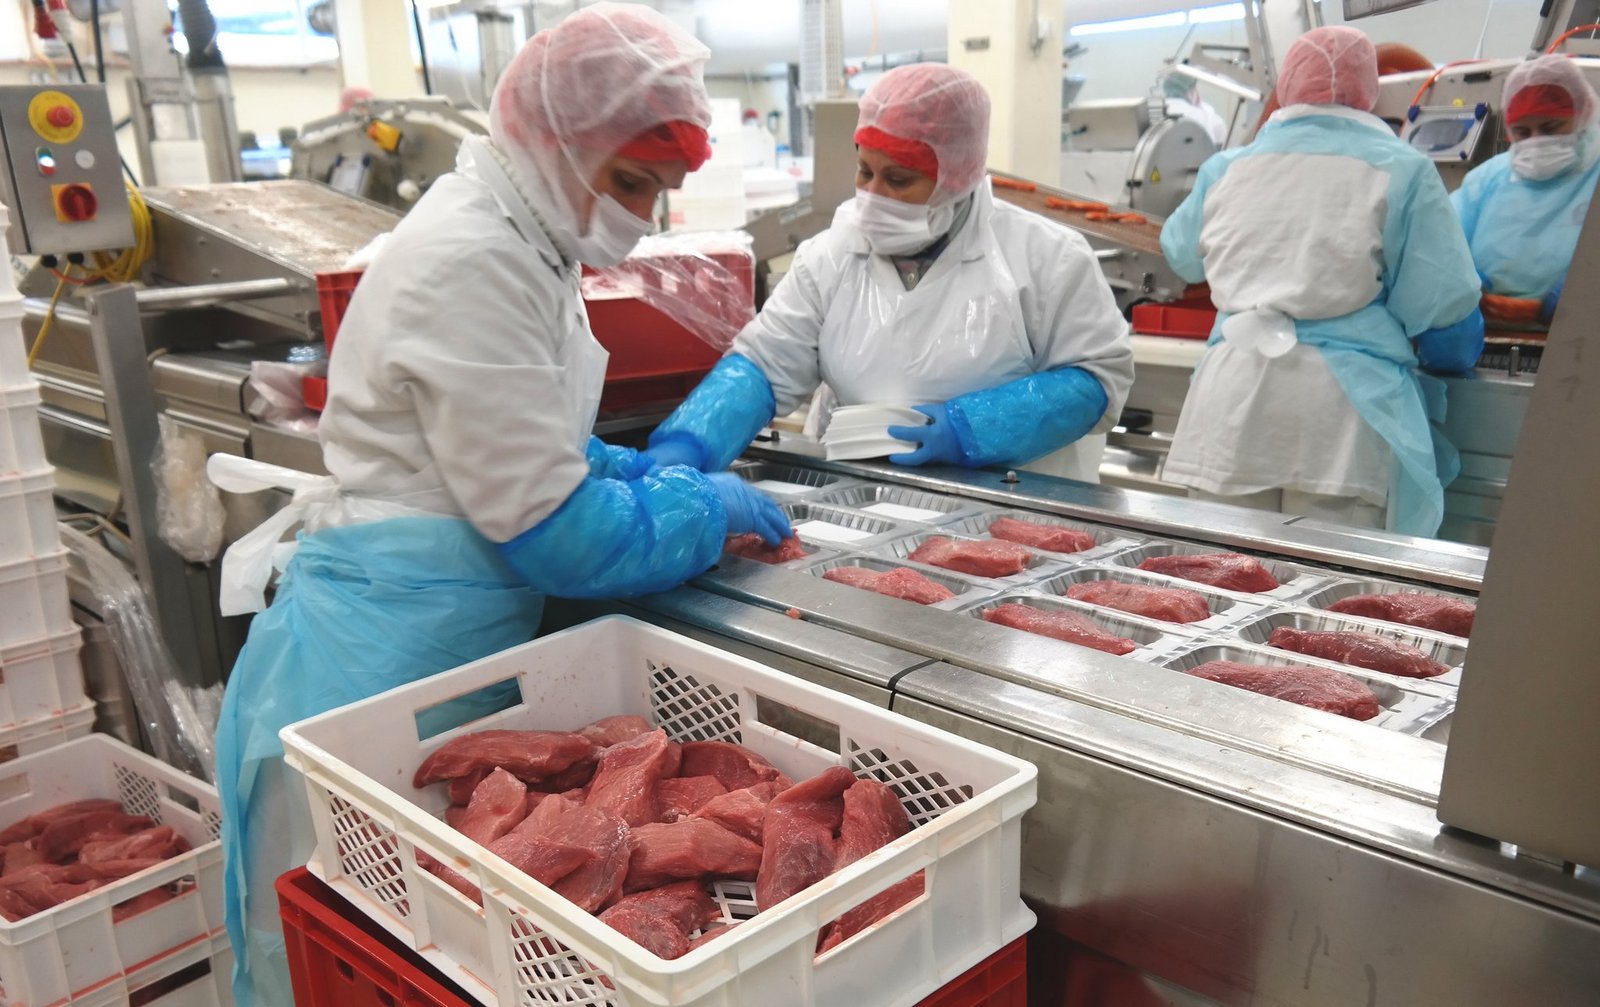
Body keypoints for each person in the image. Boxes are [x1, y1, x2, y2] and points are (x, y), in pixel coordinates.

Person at [211, 7, 788, 1005]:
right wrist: (696, 507)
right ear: (557, 141)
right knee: (375, 948)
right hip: (384, 650)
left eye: (656, 190)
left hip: (443, 628)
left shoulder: (523, 233)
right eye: (631, 182)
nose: (643, 215)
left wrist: (624, 467)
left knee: (453, 931)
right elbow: (563, 539)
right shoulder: (474, 257)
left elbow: (517, 433)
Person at [642, 63, 1133, 483]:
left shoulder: (1046, 257)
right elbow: (765, 365)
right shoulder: (832, 255)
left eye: (899, 179)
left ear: (958, 175)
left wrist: (969, 428)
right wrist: (690, 442)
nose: (874, 195)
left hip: (1020, 510)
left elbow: (1097, 379)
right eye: (865, 171)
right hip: (870, 495)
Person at [1158, 26, 1484, 537]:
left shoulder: (1226, 168)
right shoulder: (1402, 169)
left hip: (1232, 402)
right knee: (1331, 576)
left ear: (1286, 87)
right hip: (1341, 413)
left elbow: (1181, 256)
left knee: (1219, 571)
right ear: (1369, 90)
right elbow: (1445, 309)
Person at [1452, 53, 1600, 324]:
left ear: (1584, 114)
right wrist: (1466, 281)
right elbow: (1442, 241)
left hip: (1583, 331)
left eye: (1550, 127)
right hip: (1488, 328)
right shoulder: (1487, 180)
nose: (1537, 141)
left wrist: (1578, 292)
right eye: (1522, 132)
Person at [1162, 69, 1228, 147]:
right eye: (1194, 88)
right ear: (1189, 91)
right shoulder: (1204, 115)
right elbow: (1221, 137)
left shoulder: (1161, 109)